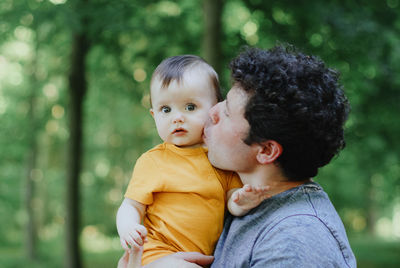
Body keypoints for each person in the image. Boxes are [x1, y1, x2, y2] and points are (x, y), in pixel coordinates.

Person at [119, 45, 356, 267]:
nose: (211, 113)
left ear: (266, 150)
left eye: (227, 111)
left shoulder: (294, 243)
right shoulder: (238, 199)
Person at [116, 55, 271, 267]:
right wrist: (128, 227)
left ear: (214, 109)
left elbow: (230, 199)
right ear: (154, 115)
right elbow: (131, 205)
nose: (176, 117)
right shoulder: (153, 161)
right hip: (158, 253)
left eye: (190, 107)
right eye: (166, 110)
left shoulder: (220, 161)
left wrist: (241, 200)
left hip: (203, 258)